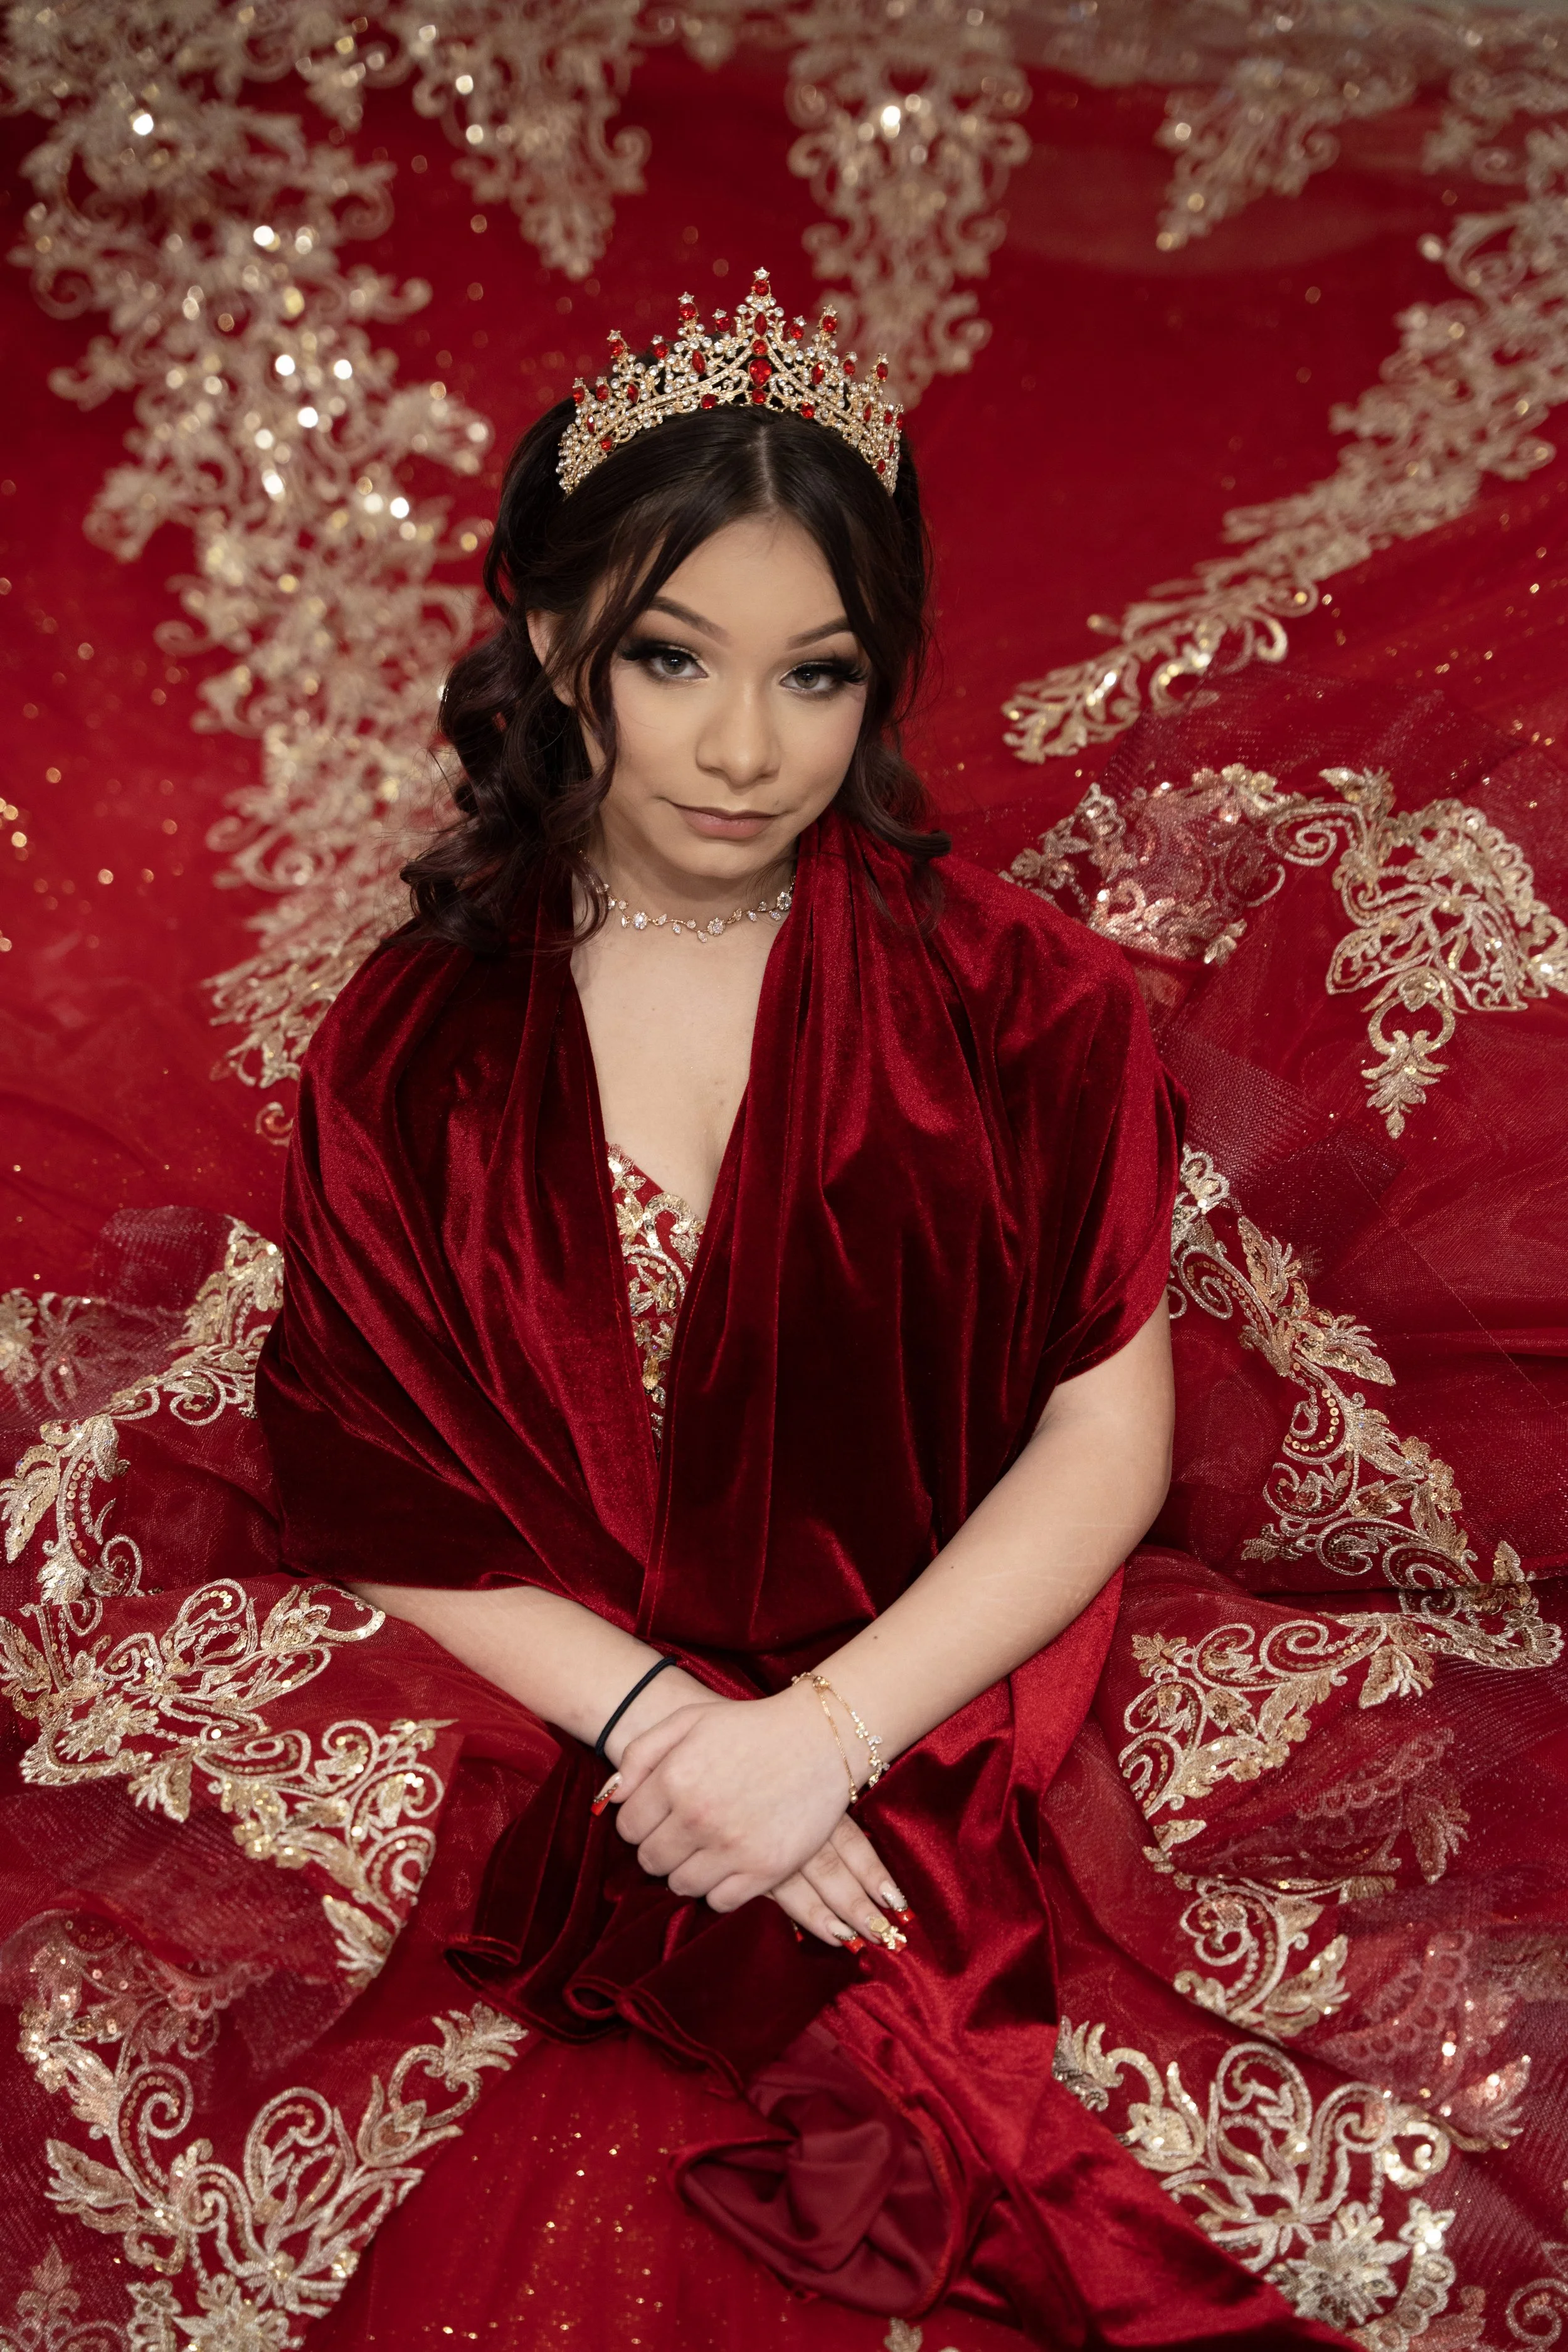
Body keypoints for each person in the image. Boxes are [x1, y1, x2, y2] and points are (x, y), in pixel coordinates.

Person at [4, 271, 1565, 2352]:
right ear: (559, 639)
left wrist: (823, 1738)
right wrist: (672, 1735)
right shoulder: (422, 1037)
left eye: (814, 675)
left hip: (958, 1685)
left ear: (877, 679)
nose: (745, 748)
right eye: (673, 658)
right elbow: (371, 1483)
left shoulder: (1022, 1000)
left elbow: (1109, 1438)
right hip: (556, 1724)